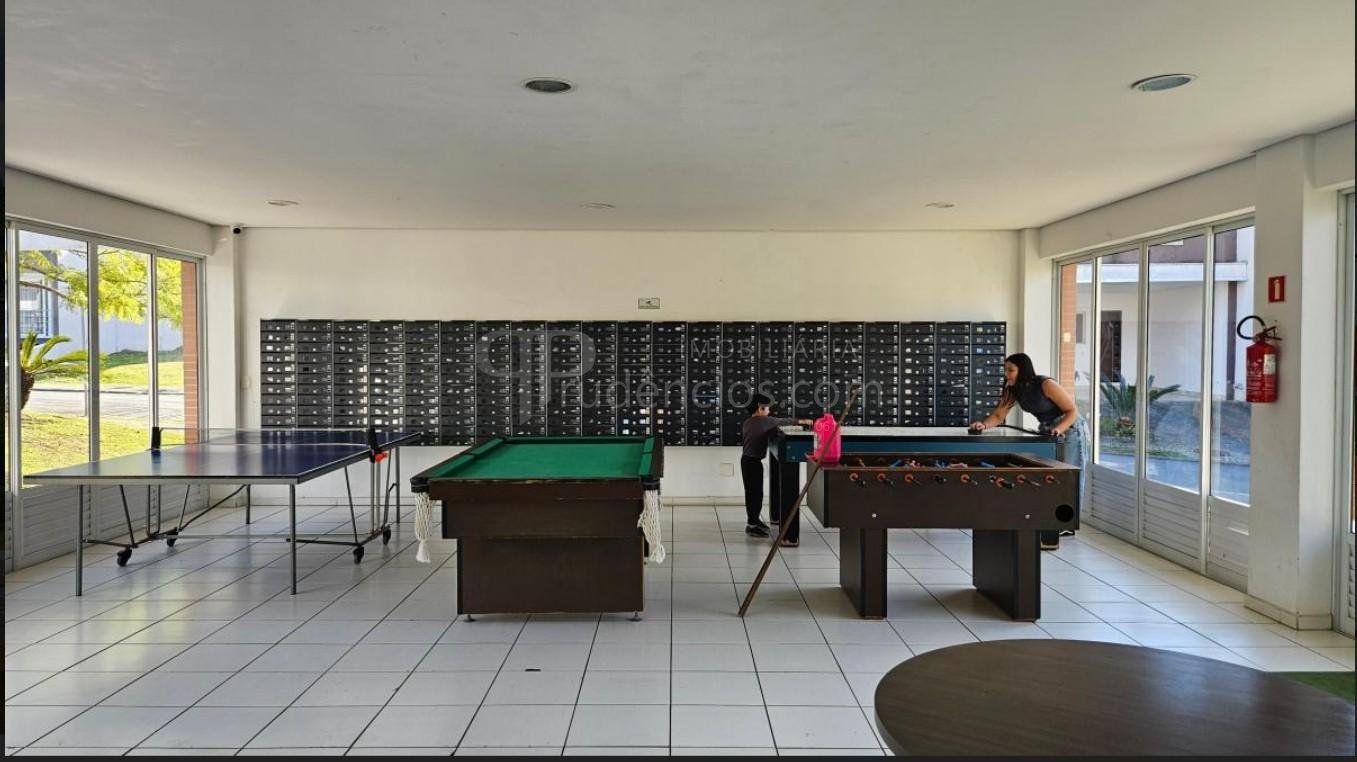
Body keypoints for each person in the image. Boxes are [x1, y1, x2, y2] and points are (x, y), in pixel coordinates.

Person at [969, 353, 1089, 550]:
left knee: (1070, 475)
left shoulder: (1045, 384)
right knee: (1052, 475)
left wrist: (1059, 429)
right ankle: (1053, 520)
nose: (1006, 374)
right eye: (1005, 369)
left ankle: (1067, 524)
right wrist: (983, 425)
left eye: (1010, 370)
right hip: (1049, 429)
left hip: (1070, 429)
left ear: (1023, 370)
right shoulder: (1013, 390)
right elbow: (999, 415)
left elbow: (1072, 410)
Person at [741, 393, 812, 539]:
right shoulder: (764, 421)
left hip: (747, 461)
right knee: (755, 495)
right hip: (753, 463)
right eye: (767, 408)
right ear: (760, 409)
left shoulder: (748, 421)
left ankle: (754, 521)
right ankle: (751, 526)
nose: (769, 411)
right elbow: (783, 421)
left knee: (753, 493)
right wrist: (803, 421)